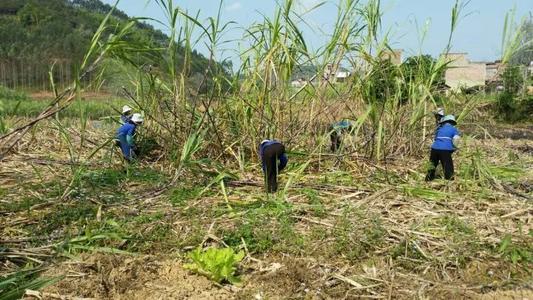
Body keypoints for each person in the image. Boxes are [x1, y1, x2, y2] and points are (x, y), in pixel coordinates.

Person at [426, 115, 460, 181]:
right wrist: (454, 147)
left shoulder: (439, 129)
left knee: (432, 165)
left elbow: (435, 138)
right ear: (452, 122)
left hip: (434, 149)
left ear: (444, 122)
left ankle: (428, 179)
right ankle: (449, 180)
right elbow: (456, 139)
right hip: (445, 149)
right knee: (447, 165)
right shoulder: (454, 129)